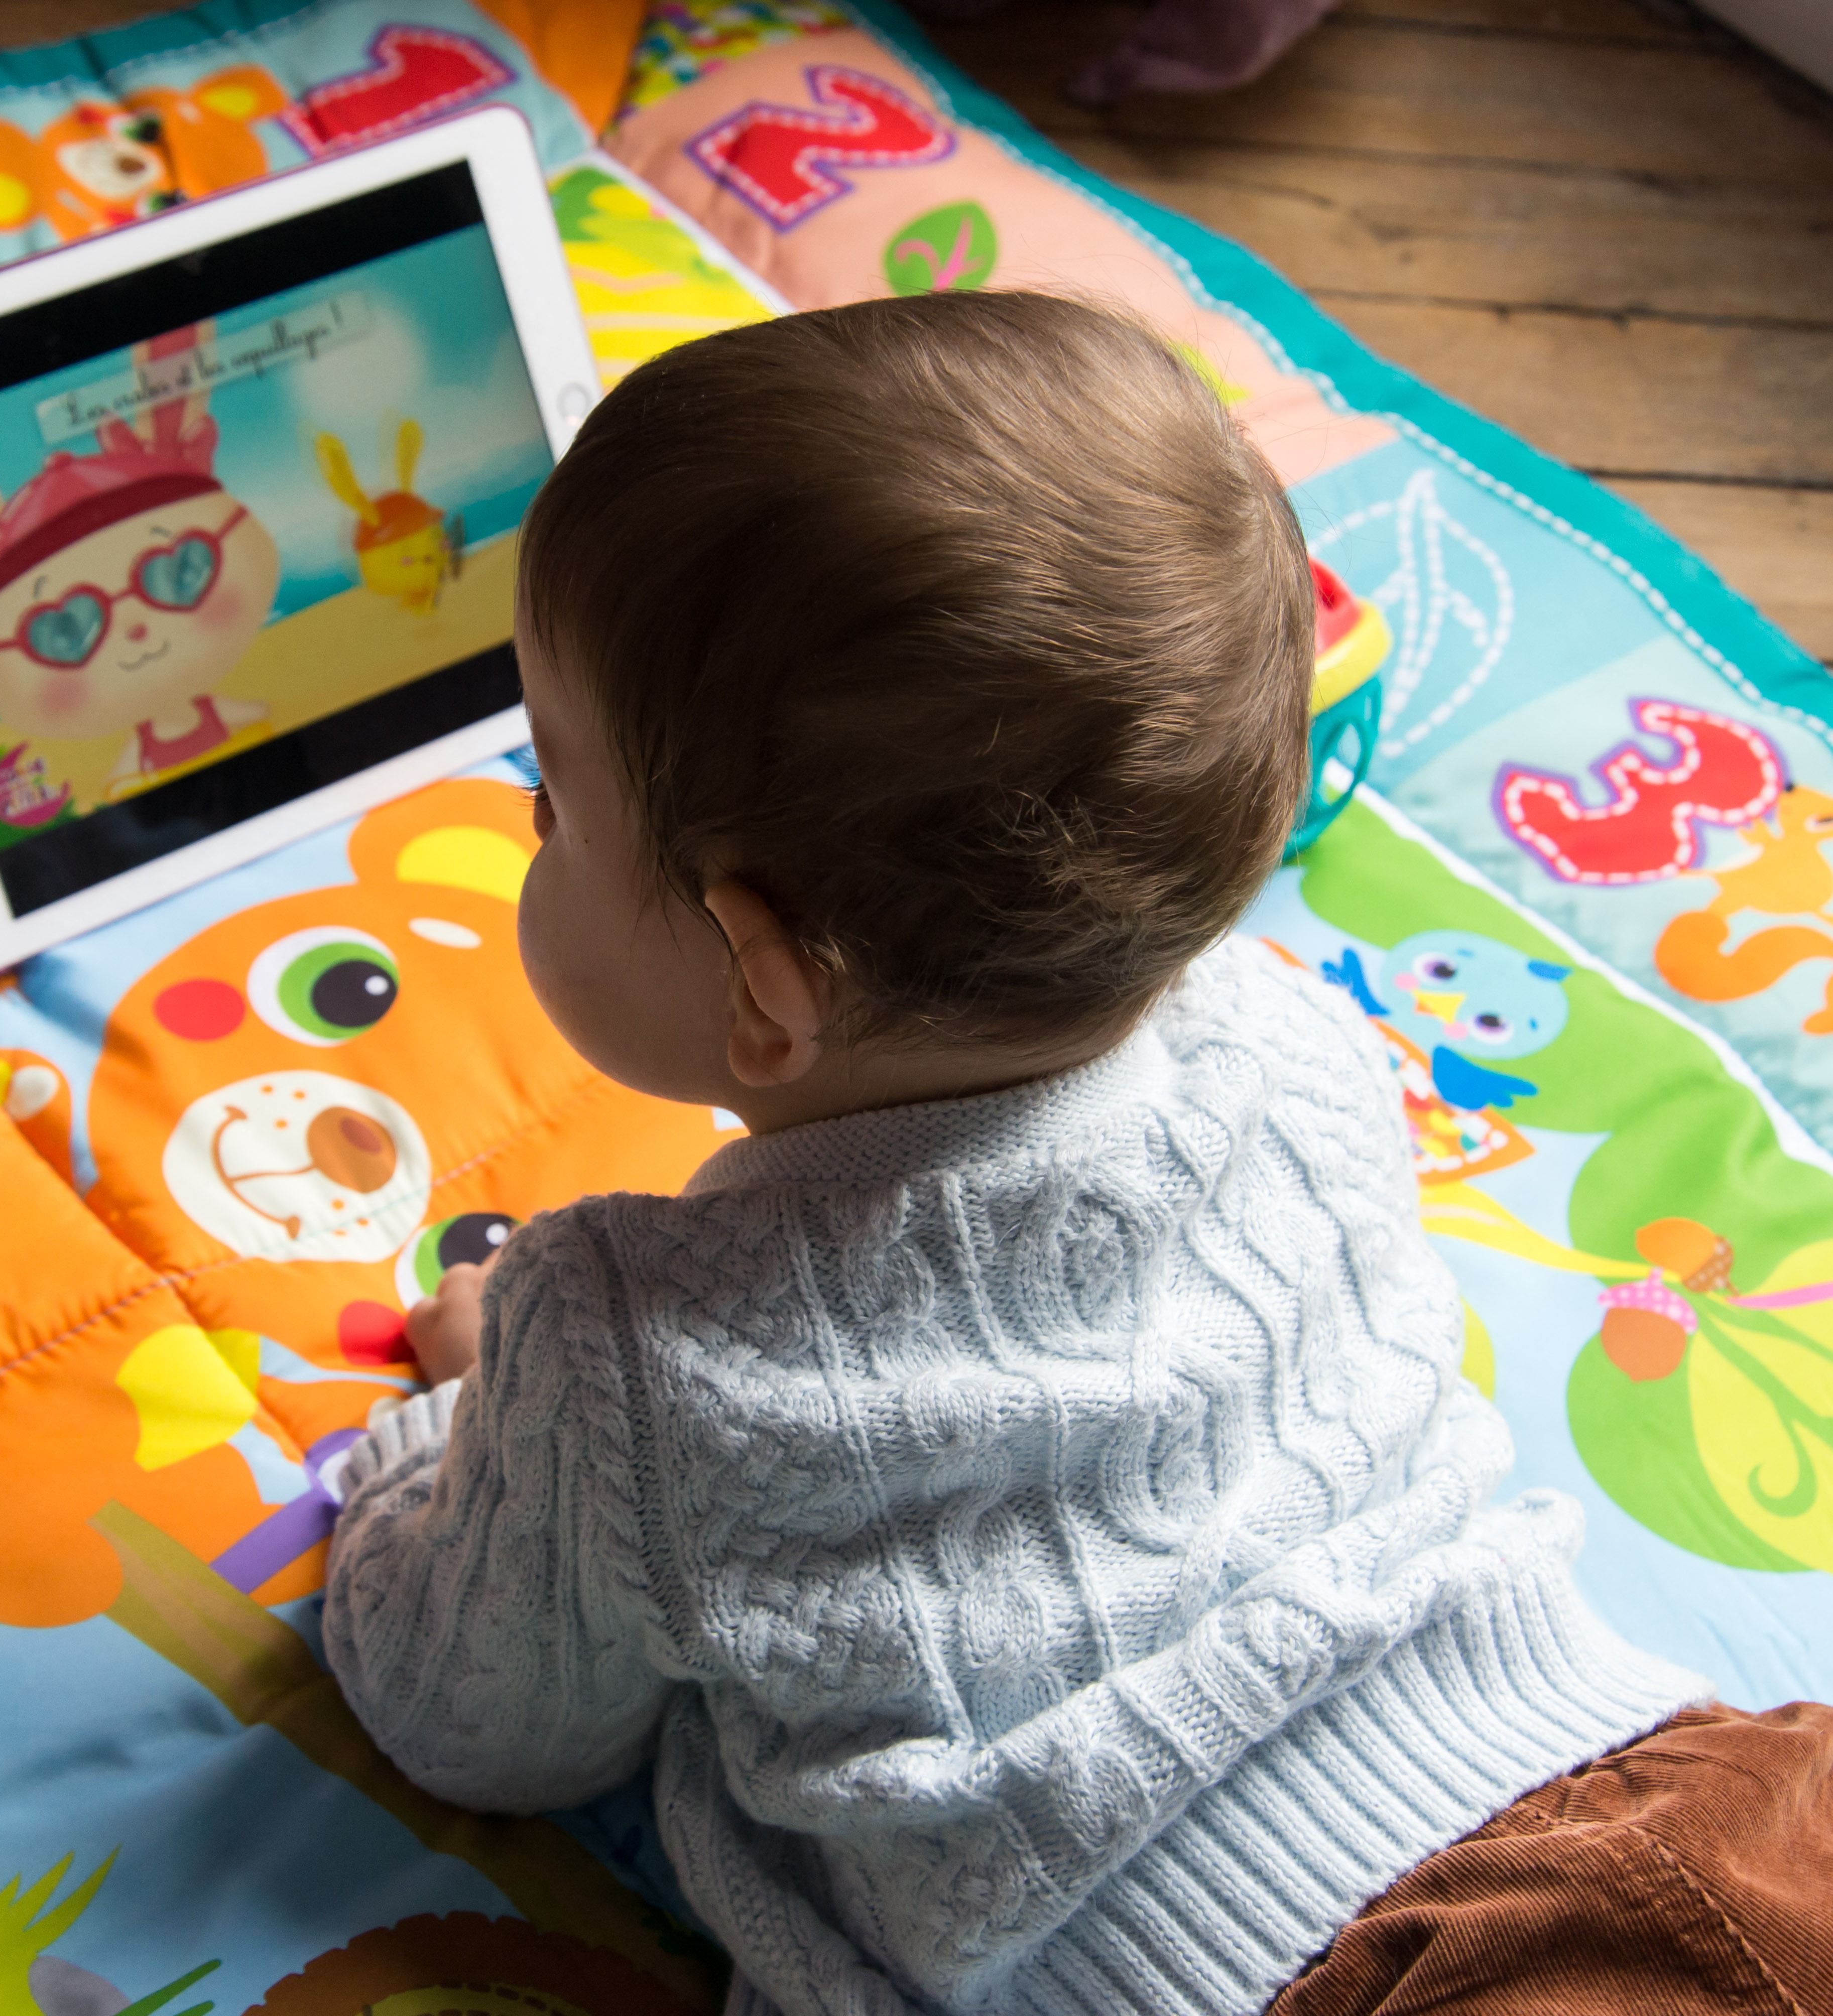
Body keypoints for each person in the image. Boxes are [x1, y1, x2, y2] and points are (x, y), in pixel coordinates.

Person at [319, 292, 1833, 2016]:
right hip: (1704, 1802)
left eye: (547, 806)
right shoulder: (1297, 1043)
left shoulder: (619, 1343)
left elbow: (463, 1711)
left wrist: (458, 1434)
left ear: (766, 988)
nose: (526, 836)